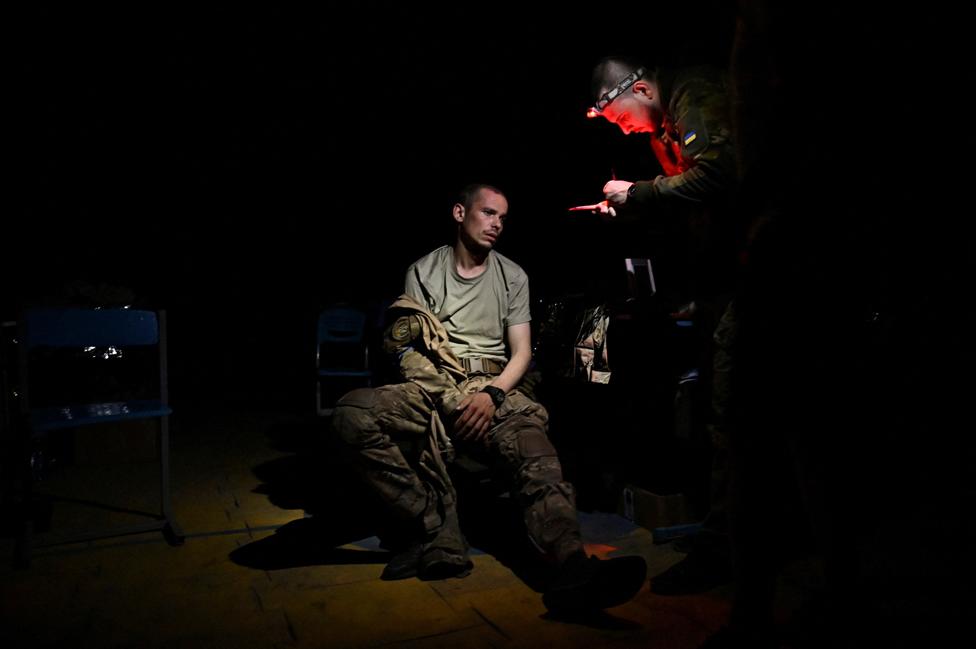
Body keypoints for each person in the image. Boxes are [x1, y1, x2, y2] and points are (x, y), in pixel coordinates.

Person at [331, 183, 646, 613]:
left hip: (496, 386)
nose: (496, 223)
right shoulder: (424, 271)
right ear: (460, 213)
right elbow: (408, 351)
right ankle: (430, 525)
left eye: (503, 217)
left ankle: (574, 567)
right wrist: (451, 399)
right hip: (434, 385)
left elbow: (522, 353)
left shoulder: (512, 275)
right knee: (353, 413)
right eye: (488, 213)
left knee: (534, 451)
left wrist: (493, 395)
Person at [585, 56, 741, 595]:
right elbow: (693, 193)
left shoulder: (694, 92)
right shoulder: (670, 125)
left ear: (642, 88)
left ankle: (729, 552)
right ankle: (725, 540)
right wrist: (631, 205)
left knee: (734, 417)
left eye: (620, 117)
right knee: (723, 415)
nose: (622, 128)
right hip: (723, 287)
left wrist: (643, 192)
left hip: (754, 282)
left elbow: (720, 174)